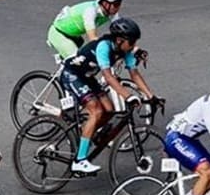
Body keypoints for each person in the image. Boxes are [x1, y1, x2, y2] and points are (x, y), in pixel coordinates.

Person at [57, 17, 153, 174]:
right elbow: (108, 77)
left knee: (109, 109)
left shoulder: (124, 50)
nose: (134, 46)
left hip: (86, 77)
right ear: (120, 40)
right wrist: (128, 96)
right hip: (72, 75)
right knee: (96, 110)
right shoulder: (103, 47)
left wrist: (151, 96)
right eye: (132, 42)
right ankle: (79, 161)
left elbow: (134, 74)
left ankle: (87, 134)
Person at [46, 0, 124, 59]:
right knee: (76, 62)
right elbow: (92, 38)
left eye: (120, 3)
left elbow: (120, 32)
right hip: (59, 34)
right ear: (105, 3)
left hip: (76, 37)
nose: (118, 7)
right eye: (116, 4)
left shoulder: (111, 12)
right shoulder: (90, 11)